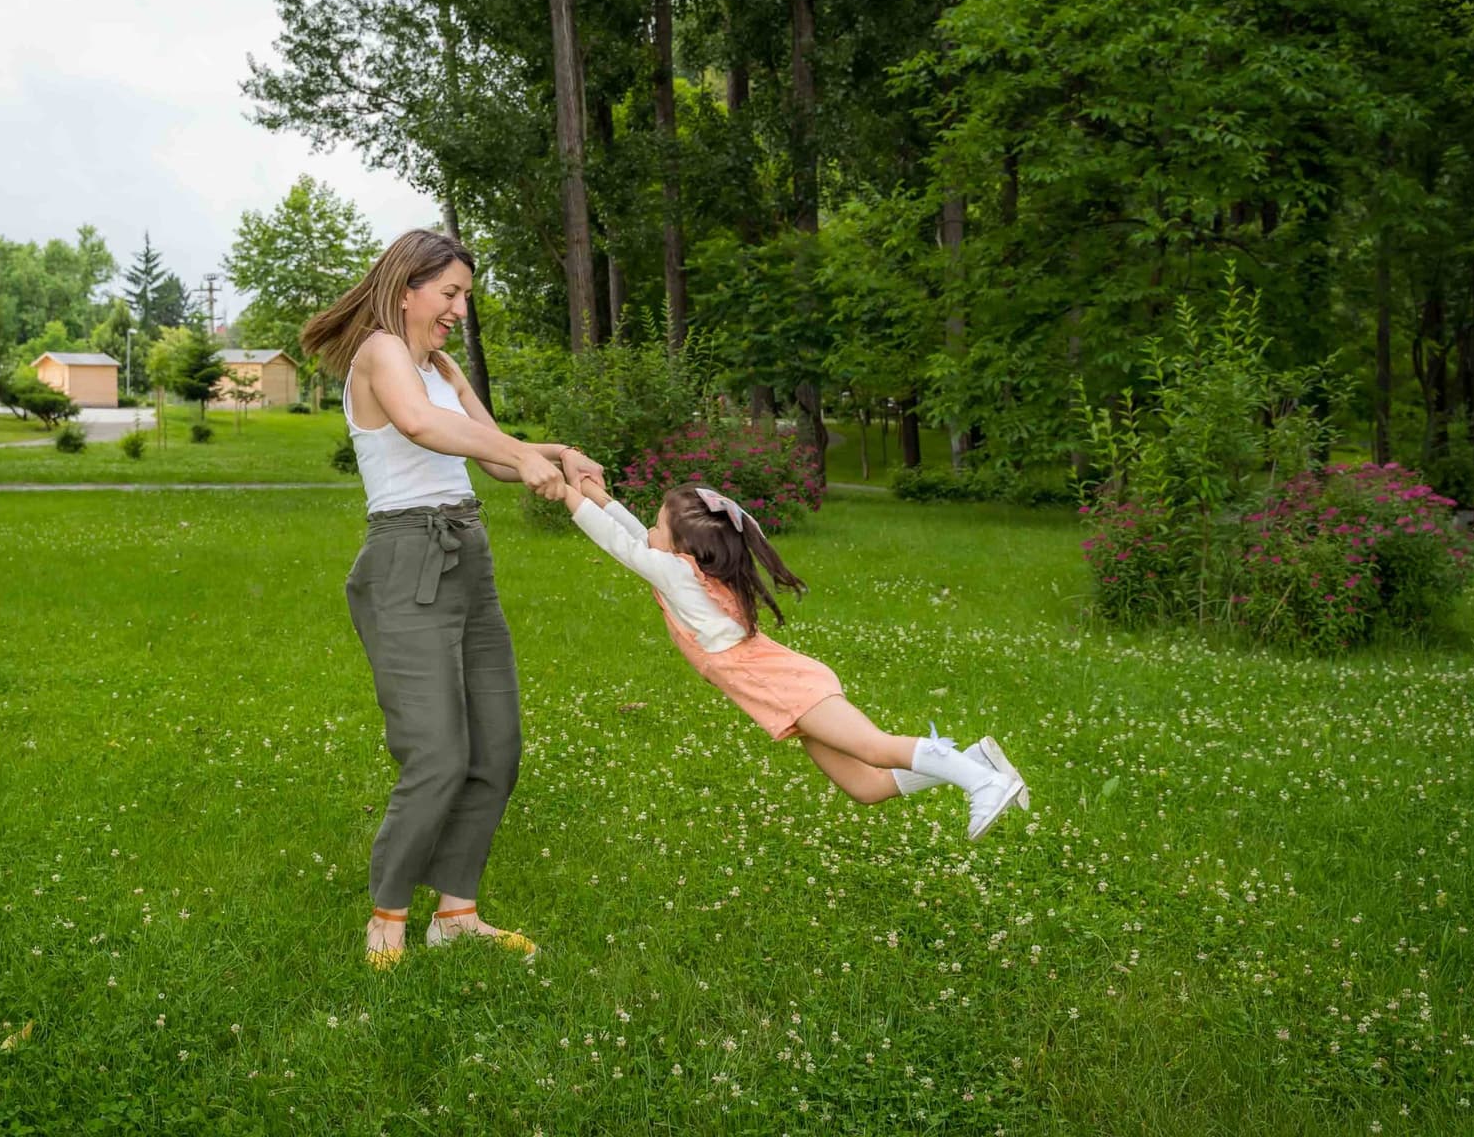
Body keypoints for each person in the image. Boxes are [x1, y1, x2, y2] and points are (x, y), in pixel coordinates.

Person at [300, 228, 605, 970]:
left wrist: (557, 455)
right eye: (451, 294)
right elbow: (421, 425)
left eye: (465, 296)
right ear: (408, 287)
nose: (460, 311)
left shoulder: (438, 364)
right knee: (436, 753)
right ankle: (387, 917)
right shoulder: (381, 353)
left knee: (496, 746)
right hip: (407, 557)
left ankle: (457, 913)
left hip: (468, 553)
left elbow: (491, 451)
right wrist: (525, 457)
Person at [557, 457, 1028, 836]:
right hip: (786, 692)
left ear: (684, 552)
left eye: (659, 526)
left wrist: (564, 492)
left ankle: (983, 783)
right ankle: (975, 763)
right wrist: (595, 492)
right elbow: (637, 535)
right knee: (865, 787)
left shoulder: (677, 574)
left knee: (876, 748)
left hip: (788, 689)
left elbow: (622, 543)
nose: (650, 532)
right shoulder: (686, 570)